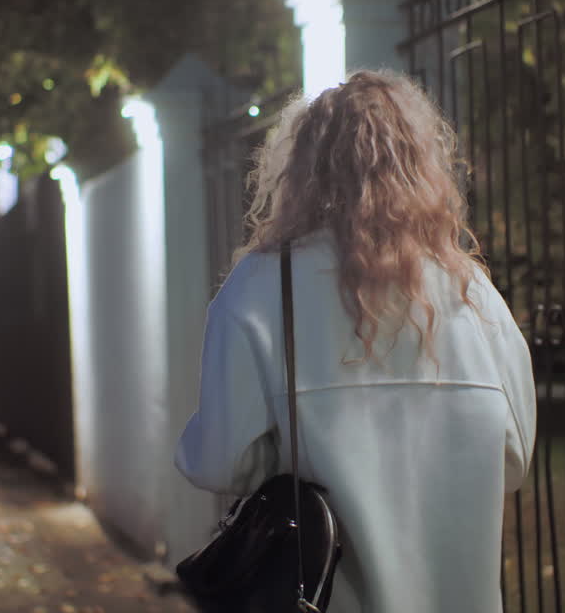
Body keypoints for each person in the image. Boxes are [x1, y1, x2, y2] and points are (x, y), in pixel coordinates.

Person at [174, 70, 536, 612]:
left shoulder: (261, 289)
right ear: (421, 166)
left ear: (302, 171)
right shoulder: (475, 296)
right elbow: (513, 461)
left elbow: (219, 463)